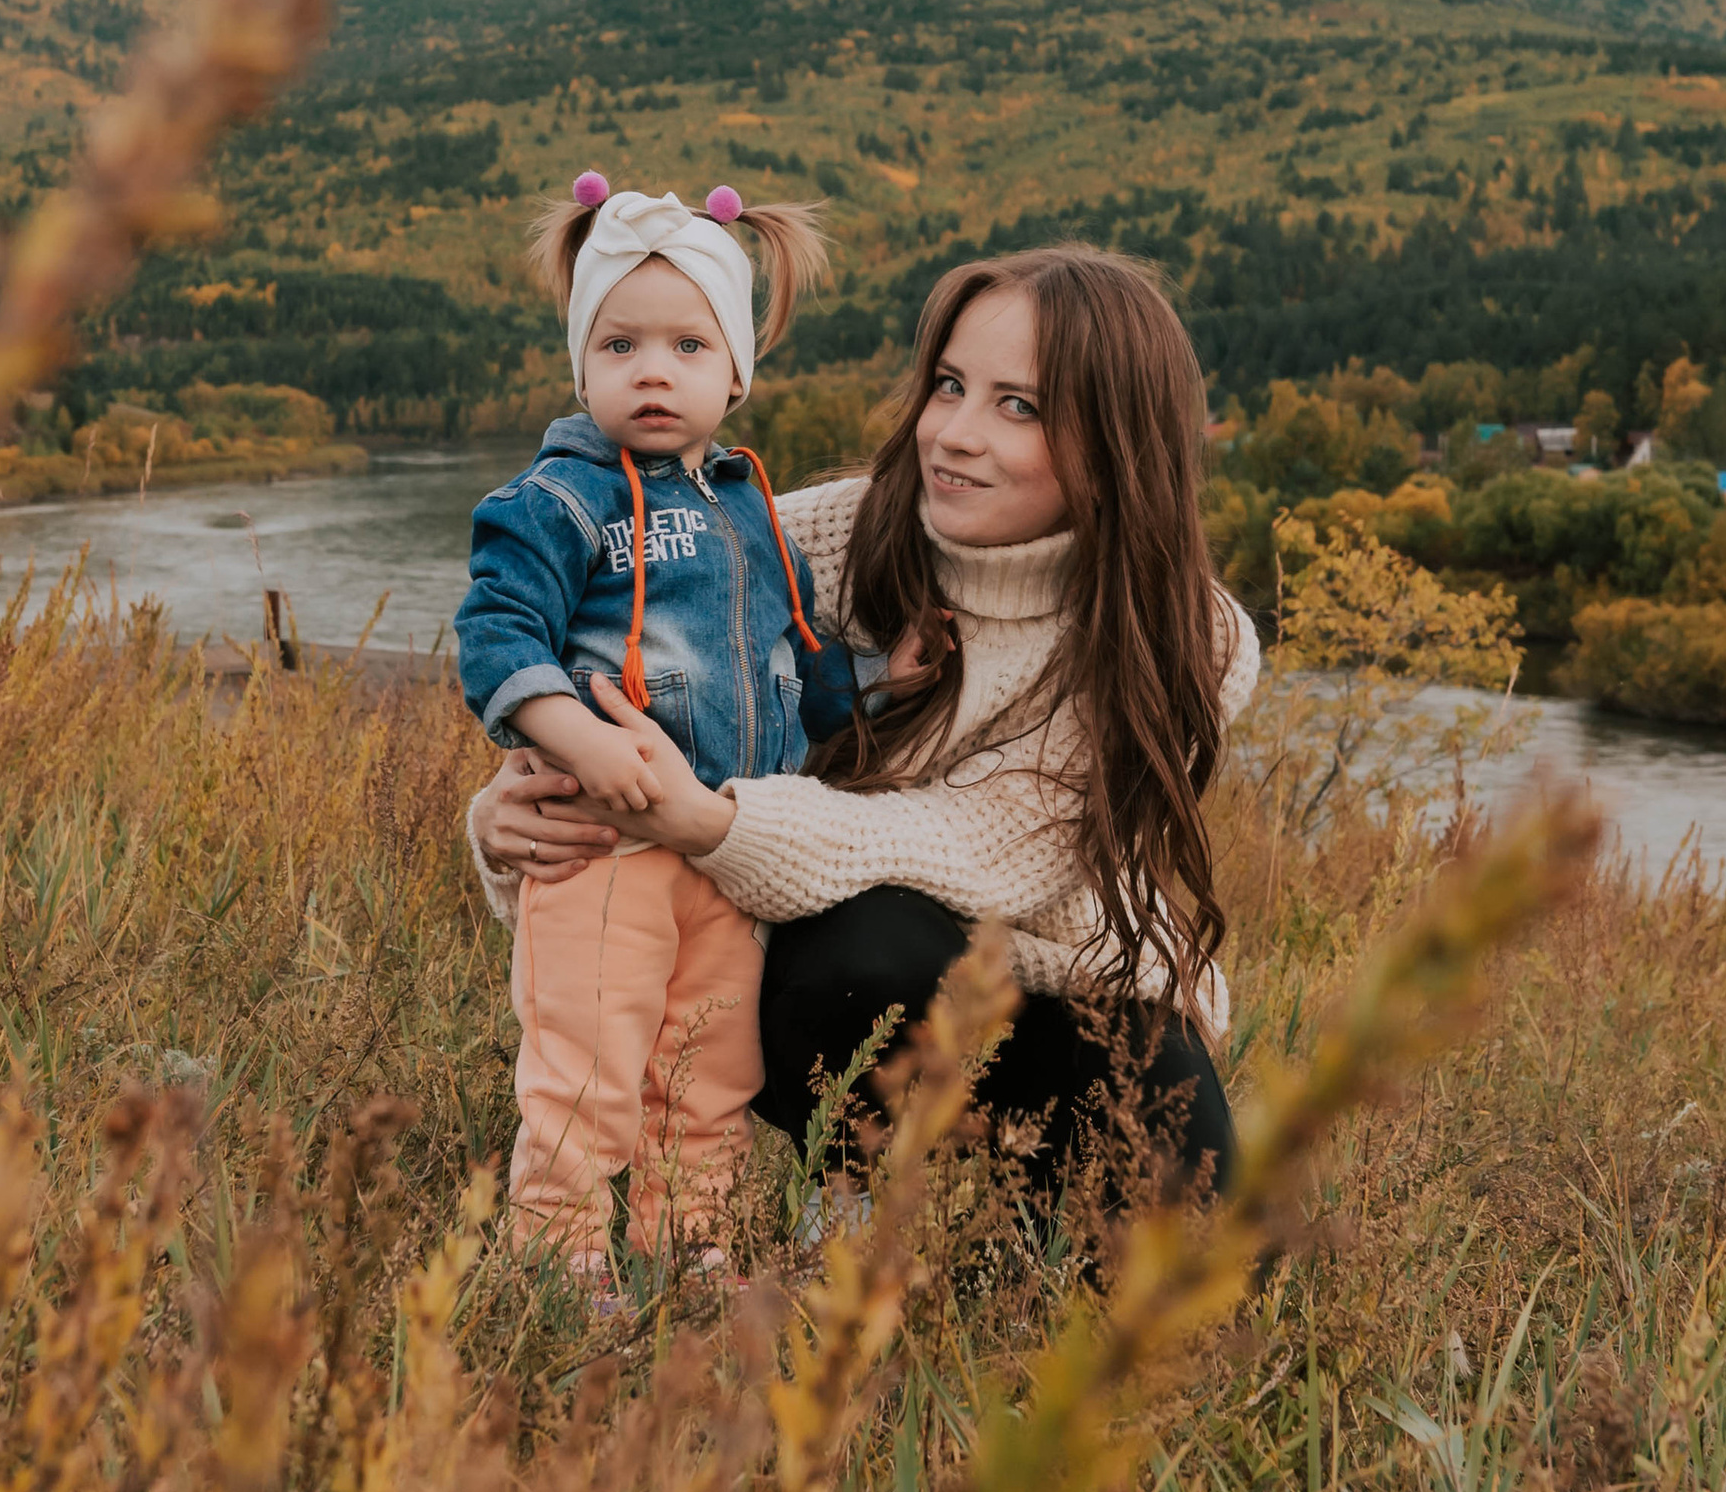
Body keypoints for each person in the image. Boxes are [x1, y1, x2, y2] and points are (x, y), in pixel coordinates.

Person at [468, 239, 1258, 1218]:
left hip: (1072, 991)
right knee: (862, 942)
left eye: (1019, 405)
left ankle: (1013, 1210)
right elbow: (607, 662)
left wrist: (714, 823)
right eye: (949, 386)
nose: (954, 435)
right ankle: (846, 1193)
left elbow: (994, 842)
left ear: (1117, 440)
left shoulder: (1191, 633)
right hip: (844, 982)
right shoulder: (794, 541)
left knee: (1209, 1283)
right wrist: (516, 808)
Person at [453, 174, 858, 1279]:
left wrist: (880, 686)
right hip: (605, 848)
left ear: (736, 372)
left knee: (706, 1069)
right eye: (619, 344)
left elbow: (802, 664)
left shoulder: (749, 513)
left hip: (723, 849)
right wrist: (573, 739)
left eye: (687, 347)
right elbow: (496, 633)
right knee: (586, 1061)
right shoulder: (558, 498)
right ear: (582, 364)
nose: (652, 371)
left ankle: (691, 1245)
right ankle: (560, 1258)